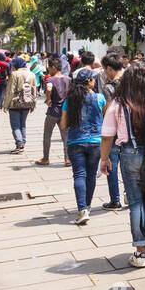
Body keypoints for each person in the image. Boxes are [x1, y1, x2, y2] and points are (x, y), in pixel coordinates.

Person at [99, 64, 145, 268]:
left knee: (136, 202)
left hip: (130, 153)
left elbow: (106, 135)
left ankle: (140, 250)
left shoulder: (119, 103)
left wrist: (104, 159)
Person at [63, 68, 106, 225]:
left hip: (75, 141)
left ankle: (82, 210)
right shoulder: (100, 98)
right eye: (93, 79)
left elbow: (63, 123)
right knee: (91, 175)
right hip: (95, 142)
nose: (95, 81)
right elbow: (104, 117)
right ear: (89, 82)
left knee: (79, 175)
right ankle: (87, 206)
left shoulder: (70, 100)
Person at [97, 53, 126, 211]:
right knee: (129, 165)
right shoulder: (132, 81)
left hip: (114, 131)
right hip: (130, 130)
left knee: (111, 164)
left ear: (109, 68)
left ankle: (115, 199)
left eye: (104, 69)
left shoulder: (109, 87)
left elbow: (108, 111)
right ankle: (130, 193)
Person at [36, 57, 70, 166]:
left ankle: (46, 158)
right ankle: (67, 158)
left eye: (49, 68)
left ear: (54, 68)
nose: (48, 71)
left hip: (53, 111)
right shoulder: (68, 79)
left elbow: (49, 89)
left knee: (47, 135)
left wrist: (48, 99)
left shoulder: (50, 80)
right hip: (65, 112)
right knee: (66, 136)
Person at [4, 56, 38, 153]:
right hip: (27, 102)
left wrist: (6, 105)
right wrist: (33, 104)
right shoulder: (32, 74)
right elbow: (34, 90)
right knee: (23, 124)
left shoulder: (14, 74)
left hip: (15, 103)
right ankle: (22, 142)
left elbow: (10, 91)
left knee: (15, 125)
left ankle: (20, 144)